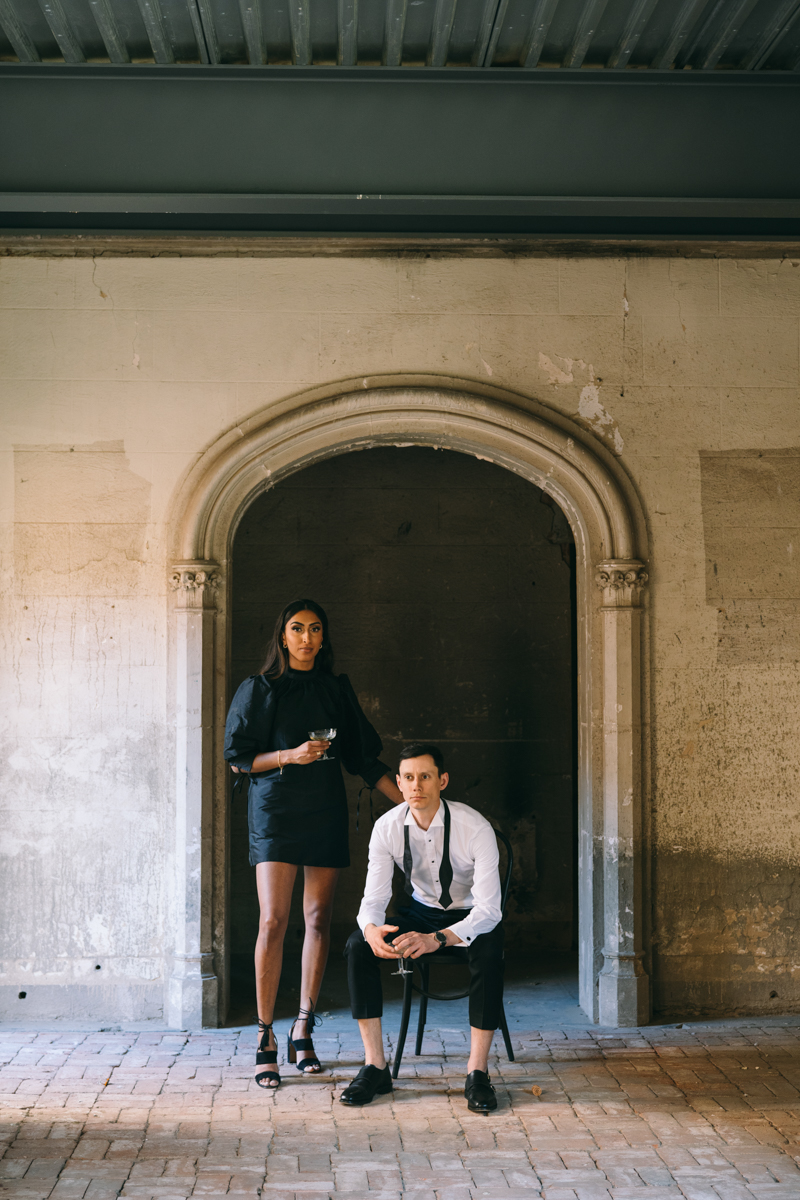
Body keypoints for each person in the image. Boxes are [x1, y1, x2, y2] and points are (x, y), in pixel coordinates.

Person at [224, 599, 404, 1089]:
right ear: (283, 636)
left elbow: (365, 759)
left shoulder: (334, 690)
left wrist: (415, 804)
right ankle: (265, 1036)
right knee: (273, 920)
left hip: (324, 809)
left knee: (319, 919)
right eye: (297, 628)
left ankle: (303, 1027)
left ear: (323, 638)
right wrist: (291, 755)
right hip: (275, 811)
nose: (306, 637)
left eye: (315, 629)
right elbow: (239, 758)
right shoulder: (259, 689)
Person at [341, 742, 505, 1114]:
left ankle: (477, 1072)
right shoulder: (386, 828)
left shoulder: (474, 826)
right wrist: (369, 929)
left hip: (470, 915)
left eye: (426, 777)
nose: (417, 786)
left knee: (490, 950)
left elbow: (491, 910)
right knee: (356, 946)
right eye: (409, 778)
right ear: (399, 783)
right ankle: (375, 1067)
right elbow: (373, 899)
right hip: (419, 912)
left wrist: (438, 940)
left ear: (442, 780)